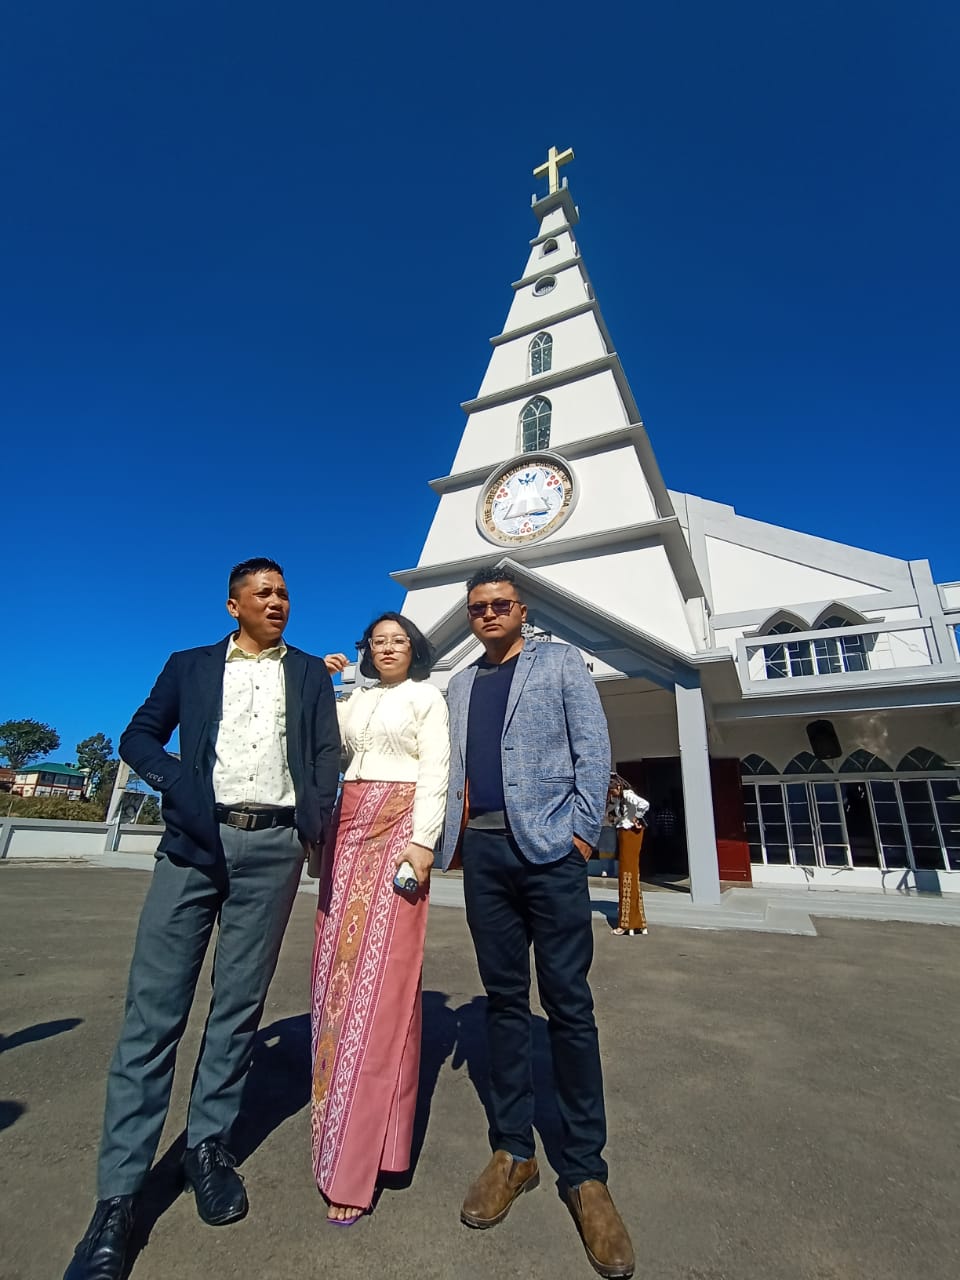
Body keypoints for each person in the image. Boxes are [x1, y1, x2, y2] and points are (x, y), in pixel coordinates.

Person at [63, 558, 340, 1280]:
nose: (278, 602)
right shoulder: (188, 665)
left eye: (284, 593)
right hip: (193, 845)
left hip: (275, 849)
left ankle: (207, 1149)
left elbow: (321, 753)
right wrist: (180, 784)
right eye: (264, 593)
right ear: (233, 605)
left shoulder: (310, 673)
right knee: (153, 1016)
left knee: (237, 1012)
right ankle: (118, 1199)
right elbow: (137, 737)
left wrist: (312, 819)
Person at [439, 566, 635, 1280]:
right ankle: (513, 1153)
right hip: (485, 854)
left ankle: (585, 1173)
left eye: (499, 605)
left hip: (552, 851)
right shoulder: (460, 685)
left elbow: (594, 749)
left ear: (522, 610)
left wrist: (584, 837)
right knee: (502, 1004)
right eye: (477, 608)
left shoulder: (559, 662)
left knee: (569, 1004)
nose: (488, 615)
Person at [312, 613, 449, 1225]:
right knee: (335, 979)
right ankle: (332, 1124)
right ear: (366, 650)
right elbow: (323, 749)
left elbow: (437, 773)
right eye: (378, 642)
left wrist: (423, 845)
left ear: (413, 650)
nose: (388, 649)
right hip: (347, 826)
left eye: (399, 641)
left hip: (398, 827)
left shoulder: (427, 697)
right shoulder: (353, 701)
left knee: (382, 986)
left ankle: (369, 1154)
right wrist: (320, 684)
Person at [607, 775, 651, 937]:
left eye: (612, 790)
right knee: (632, 877)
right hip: (625, 832)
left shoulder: (628, 795)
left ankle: (625, 923)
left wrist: (636, 817)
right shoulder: (620, 799)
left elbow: (644, 804)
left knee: (626, 874)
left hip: (629, 832)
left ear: (618, 786)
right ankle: (637, 922)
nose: (611, 793)